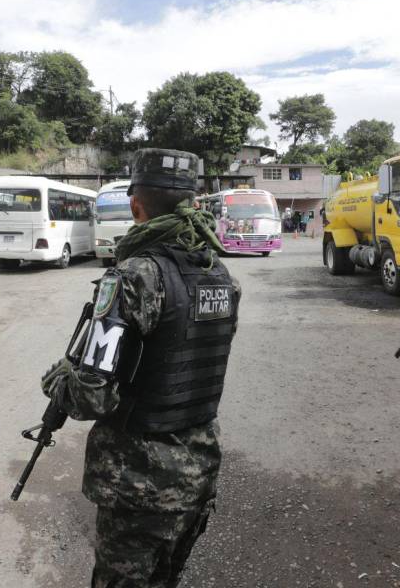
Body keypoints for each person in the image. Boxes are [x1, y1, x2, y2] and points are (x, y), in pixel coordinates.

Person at [41, 148, 241, 587]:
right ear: (193, 202)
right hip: (199, 470)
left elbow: (92, 394)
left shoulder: (133, 277)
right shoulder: (220, 274)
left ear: (136, 206)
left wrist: (58, 383)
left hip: (139, 484)